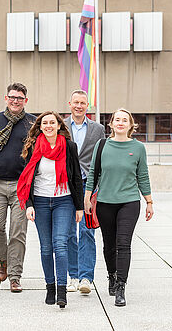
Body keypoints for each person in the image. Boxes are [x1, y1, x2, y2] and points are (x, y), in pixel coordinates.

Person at [84, 109, 154, 307]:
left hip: (129, 202)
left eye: (125, 120)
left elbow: (143, 175)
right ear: (111, 124)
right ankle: (112, 275)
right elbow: (93, 172)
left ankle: (121, 286)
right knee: (109, 244)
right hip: (105, 202)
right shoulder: (102, 144)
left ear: (131, 125)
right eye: (117, 120)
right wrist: (87, 198)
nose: (121, 123)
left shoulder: (138, 148)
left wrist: (149, 201)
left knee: (123, 243)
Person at [17, 111, 84, 309]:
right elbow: (27, 178)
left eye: (52, 123)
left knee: (60, 244)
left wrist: (79, 206)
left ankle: (62, 290)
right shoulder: (33, 147)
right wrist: (28, 205)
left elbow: (76, 178)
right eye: (44, 123)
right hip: (40, 201)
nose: (48, 126)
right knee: (46, 247)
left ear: (58, 126)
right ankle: (50, 286)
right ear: (40, 126)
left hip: (64, 201)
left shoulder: (69, 147)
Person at [0, 83, 36, 292]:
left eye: (20, 98)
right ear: (6, 98)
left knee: (18, 232)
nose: (15, 101)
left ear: (25, 101)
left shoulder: (32, 122)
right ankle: (4, 259)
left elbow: (37, 153)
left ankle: (15, 276)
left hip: (22, 186)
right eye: (12, 97)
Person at [64, 90, 105, 294]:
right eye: (76, 102)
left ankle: (86, 278)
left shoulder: (98, 129)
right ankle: (72, 275)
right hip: (67, 184)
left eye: (83, 103)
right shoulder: (60, 125)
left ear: (87, 106)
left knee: (87, 231)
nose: (79, 106)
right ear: (69, 104)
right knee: (70, 232)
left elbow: (102, 157)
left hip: (89, 184)